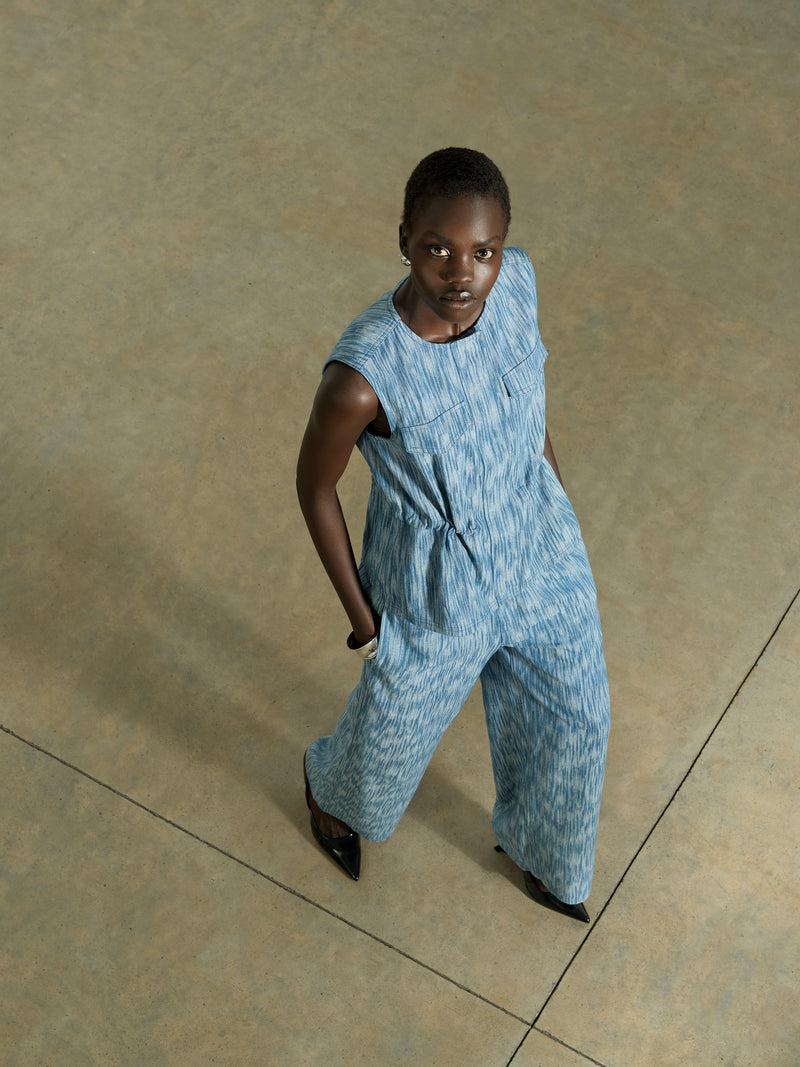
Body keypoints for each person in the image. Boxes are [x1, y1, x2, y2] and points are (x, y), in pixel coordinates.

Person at [296, 147, 610, 922]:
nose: (462, 272)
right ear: (404, 237)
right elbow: (315, 487)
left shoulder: (520, 285)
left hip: (538, 546)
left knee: (578, 713)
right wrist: (368, 625)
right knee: (393, 732)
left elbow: (529, 405)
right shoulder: (363, 375)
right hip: (434, 587)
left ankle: (545, 850)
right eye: (438, 248)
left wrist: (556, 509)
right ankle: (333, 794)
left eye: (483, 251)